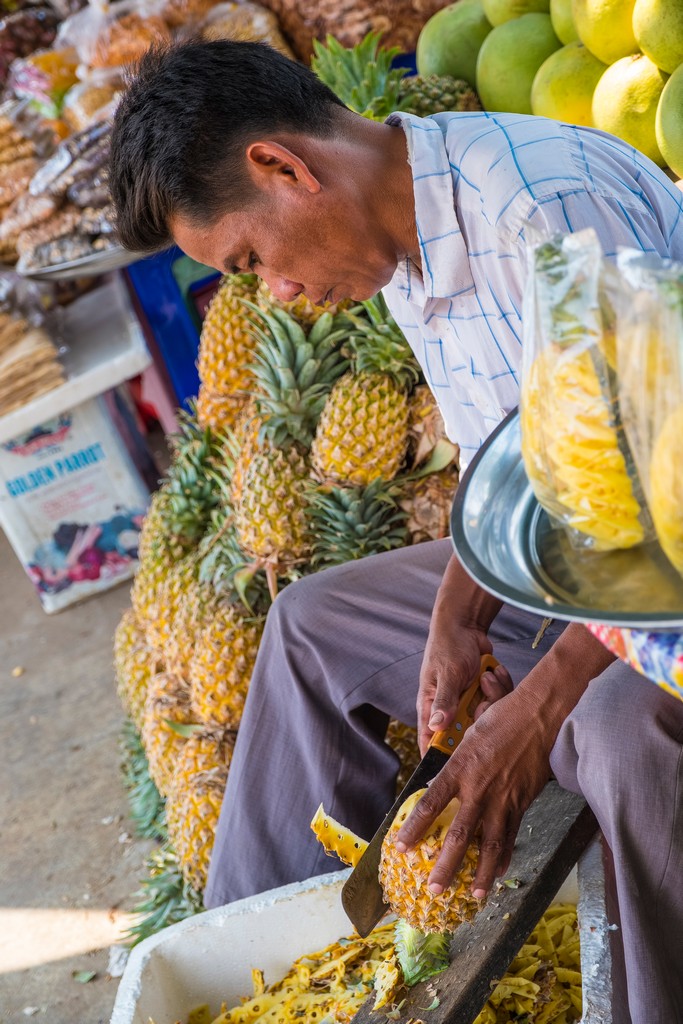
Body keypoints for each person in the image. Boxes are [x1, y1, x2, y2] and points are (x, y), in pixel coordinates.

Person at [110, 40, 683, 1023]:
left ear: (284, 169)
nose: (276, 296)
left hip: (660, 582)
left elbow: (661, 540)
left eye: (251, 261)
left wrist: (534, 711)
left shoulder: (541, 219)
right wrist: (456, 618)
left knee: (609, 729)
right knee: (307, 626)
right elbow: (503, 454)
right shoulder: (404, 230)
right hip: (579, 556)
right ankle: (270, 974)